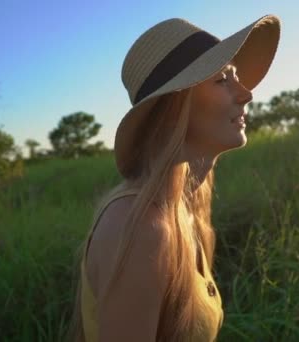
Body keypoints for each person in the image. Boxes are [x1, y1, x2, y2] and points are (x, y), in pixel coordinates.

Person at [68, 14, 281, 342]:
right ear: (175, 104)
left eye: (235, 77)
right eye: (222, 79)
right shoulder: (140, 227)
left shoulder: (182, 206)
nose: (246, 93)